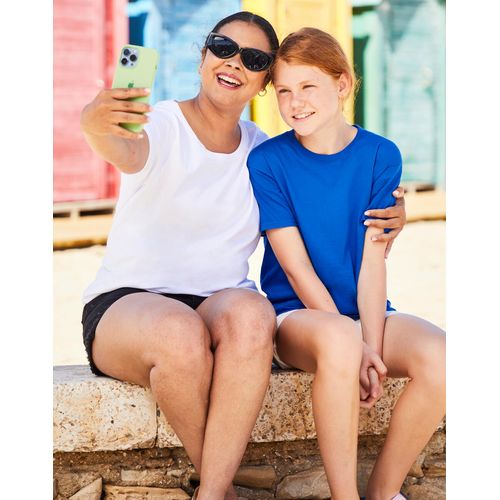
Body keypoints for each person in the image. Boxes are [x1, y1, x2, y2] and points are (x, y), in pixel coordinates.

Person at [79, 11, 407, 500]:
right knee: (179, 334)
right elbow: (125, 150)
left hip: (218, 304)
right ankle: (222, 492)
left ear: (263, 83)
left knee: (255, 315)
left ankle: (211, 493)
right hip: (128, 306)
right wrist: (94, 125)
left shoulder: (261, 152)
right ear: (203, 56)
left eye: (253, 59)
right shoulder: (163, 123)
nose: (234, 62)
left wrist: (395, 213)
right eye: (222, 47)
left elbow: (323, 204)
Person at [247, 27, 445, 500]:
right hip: (297, 317)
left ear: (341, 84)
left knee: (444, 359)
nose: (295, 103)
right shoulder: (268, 161)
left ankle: (383, 492)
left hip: (366, 311)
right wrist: (354, 345)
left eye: (308, 86)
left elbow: (373, 262)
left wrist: (369, 347)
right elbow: (295, 268)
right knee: (337, 337)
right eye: (284, 91)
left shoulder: (380, 154)